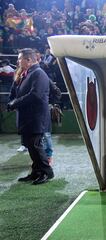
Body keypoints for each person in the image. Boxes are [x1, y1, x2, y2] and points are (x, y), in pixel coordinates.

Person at [7, 48, 54, 185]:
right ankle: (36, 171)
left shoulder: (38, 73)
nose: (18, 61)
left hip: (36, 118)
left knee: (35, 146)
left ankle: (46, 172)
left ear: (28, 60)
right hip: (29, 118)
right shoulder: (28, 73)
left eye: (20, 58)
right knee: (32, 146)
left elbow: (35, 95)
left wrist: (15, 103)